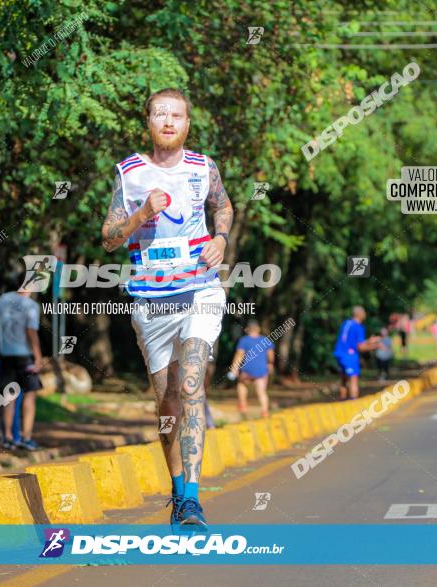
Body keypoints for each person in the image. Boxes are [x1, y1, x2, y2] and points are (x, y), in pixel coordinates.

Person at [101, 88, 233, 530]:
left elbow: (224, 206)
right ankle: (178, 492)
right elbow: (108, 238)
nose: (169, 121)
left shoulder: (203, 167)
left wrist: (220, 239)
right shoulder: (130, 173)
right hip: (150, 301)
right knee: (167, 401)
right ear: (149, 122)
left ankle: (193, 500)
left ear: (188, 124)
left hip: (200, 290)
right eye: (161, 115)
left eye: (177, 115)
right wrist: (140, 214)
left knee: (192, 383)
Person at [0, 272, 45, 450]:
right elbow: (31, 333)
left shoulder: (3, 300)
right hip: (25, 356)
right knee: (30, 395)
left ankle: (8, 438)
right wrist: (39, 357)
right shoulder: (31, 306)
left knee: (8, 398)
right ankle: (26, 438)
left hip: (6, 355)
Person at [228, 319, 275, 419]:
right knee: (261, 391)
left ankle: (243, 405)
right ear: (258, 329)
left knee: (242, 384)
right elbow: (271, 355)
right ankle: (264, 411)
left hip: (247, 370)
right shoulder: (265, 340)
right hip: (261, 370)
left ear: (247, 329)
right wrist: (270, 364)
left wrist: (235, 368)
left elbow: (239, 355)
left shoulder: (244, 340)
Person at [333, 306, 381, 400]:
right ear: (360, 314)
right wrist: (375, 346)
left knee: (343, 380)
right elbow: (360, 347)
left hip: (339, 354)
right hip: (350, 356)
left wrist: (369, 341)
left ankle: (342, 402)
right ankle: (353, 401)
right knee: (353, 380)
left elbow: (350, 342)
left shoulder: (346, 323)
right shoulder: (358, 327)